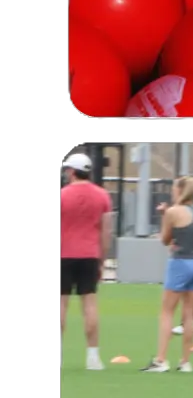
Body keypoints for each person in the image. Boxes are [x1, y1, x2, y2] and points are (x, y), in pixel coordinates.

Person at [141, 177, 193, 373]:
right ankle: (185, 361)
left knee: (167, 311)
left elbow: (164, 239)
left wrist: (164, 216)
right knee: (188, 313)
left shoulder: (173, 212)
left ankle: (161, 360)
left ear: (180, 190)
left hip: (179, 262)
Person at [59, 151, 113, 370]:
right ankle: (93, 357)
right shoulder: (102, 196)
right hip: (90, 254)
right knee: (89, 304)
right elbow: (106, 232)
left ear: (72, 171)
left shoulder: (61, 195)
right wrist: (102, 259)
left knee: (61, 304)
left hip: (63, 255)